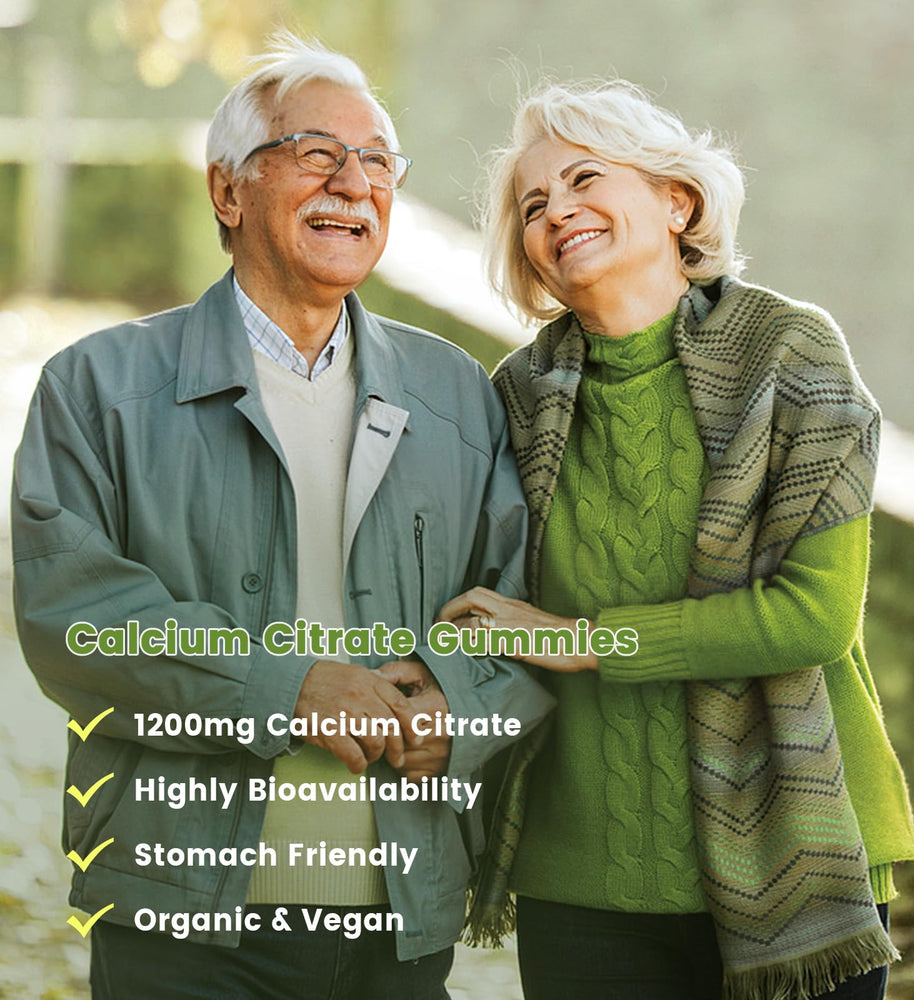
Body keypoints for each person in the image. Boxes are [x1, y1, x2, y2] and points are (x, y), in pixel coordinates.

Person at [11, 34, 553, 1000]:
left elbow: (524, 605)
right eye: (316, 154)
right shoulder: (96, 387)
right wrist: (288, 684)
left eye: (378, 160)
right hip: (180, 916)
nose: (354, 184)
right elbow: (73, 620)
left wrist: (457, 709)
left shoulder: (456, 395)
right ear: (229, 193)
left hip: (397, 917)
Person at [444, 80, 914, 1000]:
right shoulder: (514, 397)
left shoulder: (794, 353)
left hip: (800, 854)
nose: (558, 212)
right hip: (584, 872)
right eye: (533, 204)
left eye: (585, 177)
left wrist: (590, 644)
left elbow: (814, 618)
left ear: (677, 199)